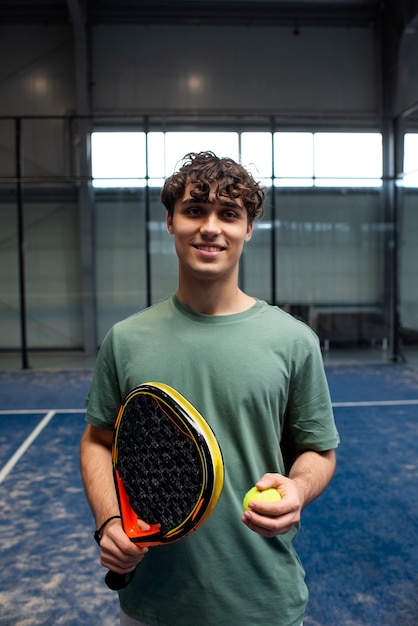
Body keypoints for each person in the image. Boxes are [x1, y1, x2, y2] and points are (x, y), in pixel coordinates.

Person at [80, 151, 339, 626]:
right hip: (153, 607)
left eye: (229, 213)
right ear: (171, 223)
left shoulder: (294, 340)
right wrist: (110, 521)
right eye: (195, 210)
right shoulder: (126, 339)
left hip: (264, 603)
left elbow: (318, 450)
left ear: (248, 229)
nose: (211, 227)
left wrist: (298, 489)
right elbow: (97, 440)